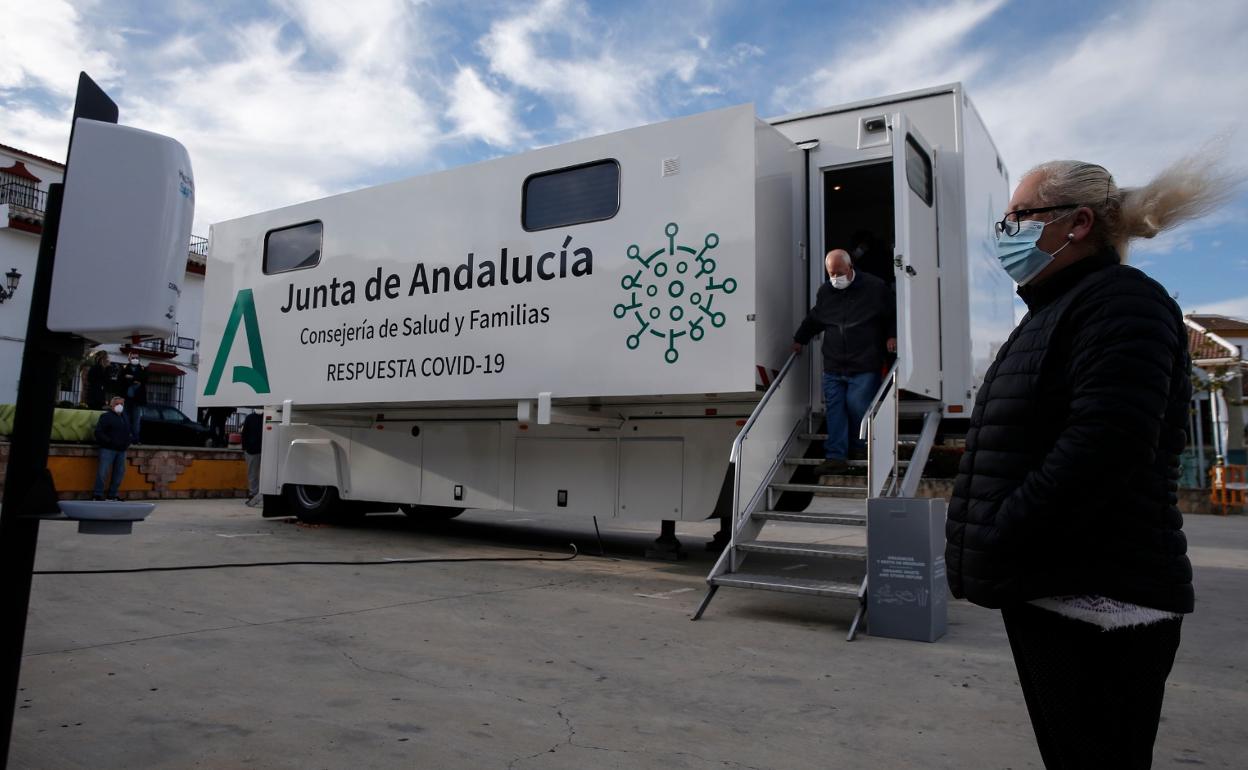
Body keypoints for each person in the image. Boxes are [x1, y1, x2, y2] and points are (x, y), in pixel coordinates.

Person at [946, 153, 1237, 768]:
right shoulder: (1055, 309)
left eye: (1018, 217)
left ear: (1076, 222)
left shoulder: (1123, 300)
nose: (1006, 234)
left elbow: (1104, 448)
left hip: (1099, 599)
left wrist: (1001, 533)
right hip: (1051, 586)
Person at [792, 249, 896, 475]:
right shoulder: (826, 292)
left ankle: (860, 447)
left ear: (850, 268)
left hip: (865, 363)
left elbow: (892, 314)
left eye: (839, 272)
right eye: (831, 273)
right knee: (835, 410)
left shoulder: (875, 288)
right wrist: (800, 339)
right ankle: (836, 456)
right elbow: (815, 318)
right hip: (834, 364)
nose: (835, 278)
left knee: (857, 405)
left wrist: (892, 335)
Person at [92, 396, 132, 500]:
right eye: (117, 404)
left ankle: (113, 494)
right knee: (103, 472)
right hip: (108, 449)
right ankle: (98, 494)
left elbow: (128, 432)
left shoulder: (125, 417)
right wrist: (109, 442)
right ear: (112, 405)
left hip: (121, 450)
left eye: (122, 404)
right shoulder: (106, 417)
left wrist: (127, 442)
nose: (119, 406)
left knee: (120, 473)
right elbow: (98, 432)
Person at [119, 354, 147, 443]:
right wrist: (136, 381)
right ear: (129, 358)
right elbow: (120, 379)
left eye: (137, 358)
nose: (135, 359)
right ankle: (126, 437)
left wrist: (131, 377)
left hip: (137, 400)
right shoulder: (124, 368)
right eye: (133, 357)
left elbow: (145, 379)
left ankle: (135, 439)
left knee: (136, 420)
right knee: (125, 419)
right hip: (126, 399)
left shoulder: (142, 368)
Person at [241, 408, 263, 506]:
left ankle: (254, 494)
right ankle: (256, 493)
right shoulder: (263, 418)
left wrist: (245, 447)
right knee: (255, 474)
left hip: (253, 449)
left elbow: (244, 433)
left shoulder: (250, 418)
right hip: (257, 449)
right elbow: (245, 434)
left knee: (253, 474)